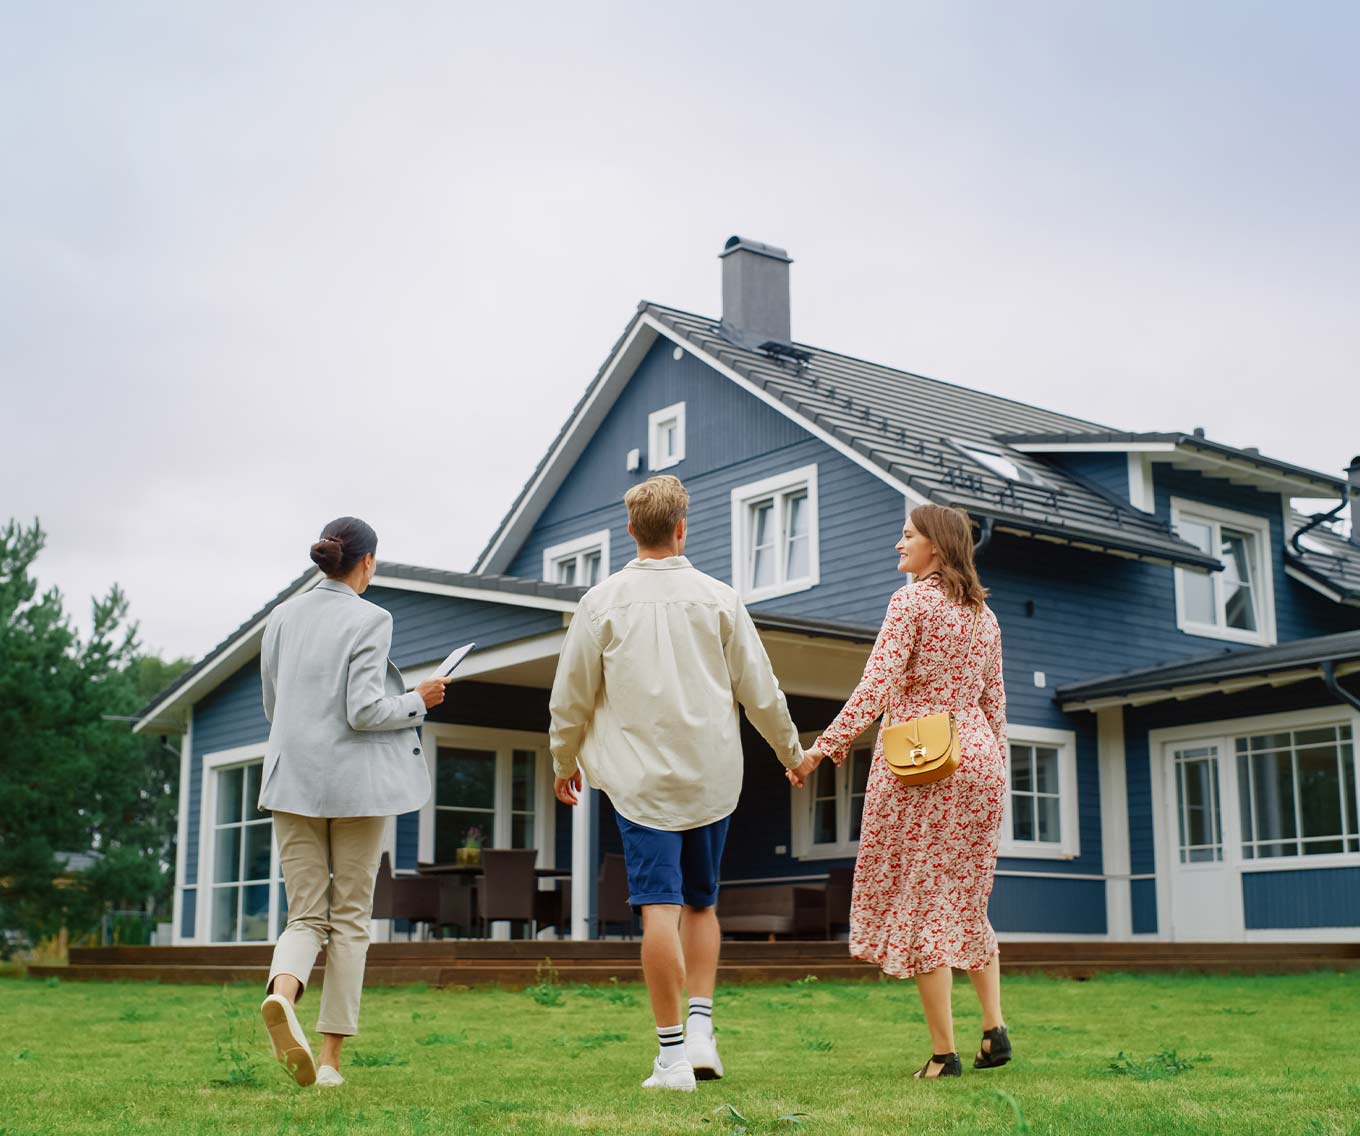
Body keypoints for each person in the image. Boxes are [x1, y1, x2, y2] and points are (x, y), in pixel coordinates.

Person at [549, 475, 805, 1092]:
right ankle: (700, 1031)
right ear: (683, 528)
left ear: (632, 532)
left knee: (658, 910)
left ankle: (671, 1060)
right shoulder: (720, 598)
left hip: (640, 784)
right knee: (701, 903)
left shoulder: (601, 602)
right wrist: (791, 753)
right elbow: (760, 691)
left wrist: (564, 763)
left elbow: (570, 698)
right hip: (712, 777)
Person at [789, 504, 1011, 1079]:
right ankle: (994, 1029)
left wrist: (823, 748)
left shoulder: (911, 602)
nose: (897, 544)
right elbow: (994, 706)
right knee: (965, 900)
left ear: (935, 546)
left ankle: (945, 1053)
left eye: (907, 536)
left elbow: (876, 685)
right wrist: (997, 773)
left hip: (925, 760)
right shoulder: (984, 617)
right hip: (981, 759)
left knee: (923, 902)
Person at [257, 516, 450, 1087]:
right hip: (356, 788)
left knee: (305, 915)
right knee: (349, 920)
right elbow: (364, 710)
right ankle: (331, 1061)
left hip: (290, 781)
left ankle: (284, 997)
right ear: (366, 562)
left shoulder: (280, 617)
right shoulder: (372, 617)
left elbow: (276, 707)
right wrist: (418, 699)